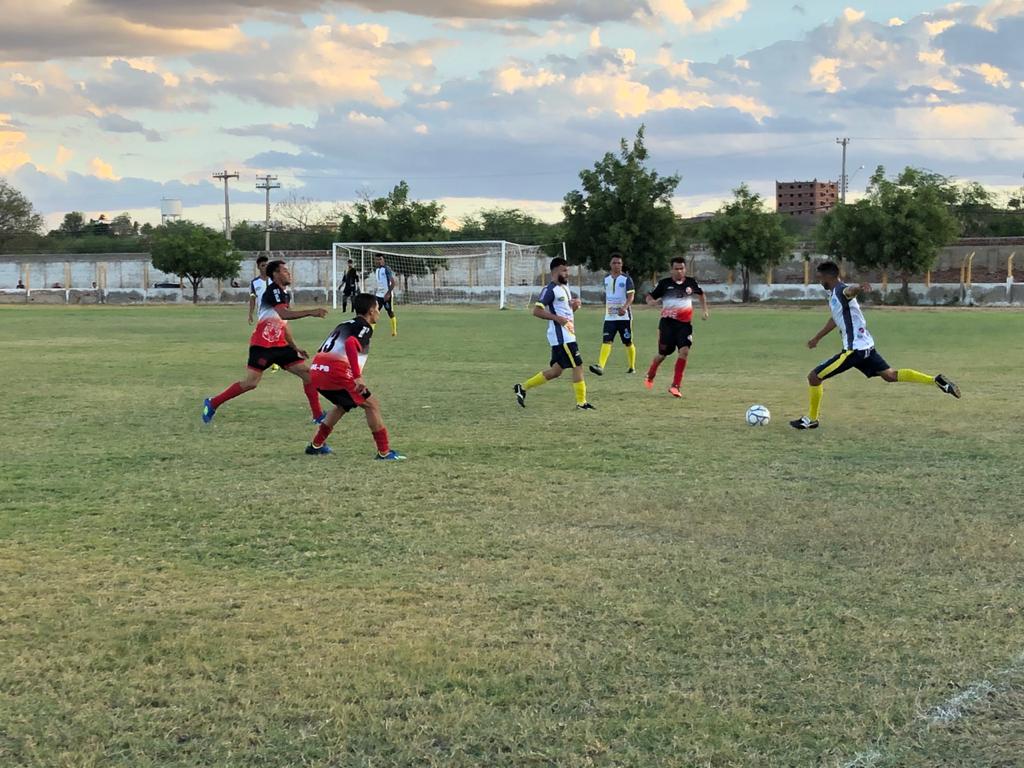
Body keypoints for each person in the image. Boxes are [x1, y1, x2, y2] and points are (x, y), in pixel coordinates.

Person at [790, 261, 961, 429]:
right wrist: (817, 338)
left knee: (814, 377)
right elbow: (836, 318)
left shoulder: (842, 290)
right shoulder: (834, 294)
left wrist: (858, 288)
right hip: (866, 347)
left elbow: (850, 292)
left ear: (828, 276)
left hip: (854, 351)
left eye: (820, 278)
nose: (820, 282)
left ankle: (812, 419)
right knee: (890, 375)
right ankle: (936, 381)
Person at [203, 260, 328, 424]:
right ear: (275, 274)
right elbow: (284, 314)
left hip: (281, 346)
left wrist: (294, 347)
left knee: (308, 375)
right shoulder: (273, 291)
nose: (288, 273)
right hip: (263, 346)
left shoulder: (284, 293)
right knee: (250, 383)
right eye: (284, 271)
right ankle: (213, 403)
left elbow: (283, 324)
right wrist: (312, 312)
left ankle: (317, 416)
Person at [304, 293, 406, 460]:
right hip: (335, 374)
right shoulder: (364, 327)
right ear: (372, 311)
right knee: (372, 404)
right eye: (378, 309)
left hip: (317, 372)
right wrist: (357, 377)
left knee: (342, 405)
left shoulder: (344, 324)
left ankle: (316, 445)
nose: (379, 313)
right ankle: (384, 452)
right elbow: (351, 344)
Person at [513, 257, 595, 411]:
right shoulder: (549, 290)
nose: (567, 274)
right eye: (564, 270)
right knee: (578, 365)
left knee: (556, 371)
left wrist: (575, 307)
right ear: (555, 270)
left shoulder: (564, 288)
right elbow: (537, 311)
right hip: (562, 337)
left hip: (566, 334)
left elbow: (566, 313)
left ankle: (522, 387)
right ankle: (581, 403)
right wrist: (558, 319)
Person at [644, 257, 709, 397]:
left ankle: (675, 386)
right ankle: (651, 374)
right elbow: (649, 296)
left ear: (685, 269)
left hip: (684, 325)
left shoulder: (691, 283)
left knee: (684, 351)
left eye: (682, 268)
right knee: (662, 355)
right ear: (671, 270)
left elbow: (701, 294)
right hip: (667, 325)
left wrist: (704, 310)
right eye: (676, 268)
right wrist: (651, 302)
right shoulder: (664, 284)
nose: (679, 271)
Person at [589, 252, 636, 376]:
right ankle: (600, 366)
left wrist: (625, 308)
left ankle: (632, 366)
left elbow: (631, 296)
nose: (616, 265)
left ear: (622, 264)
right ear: (610, 264)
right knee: (607, 340)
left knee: (628, 342)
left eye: (619, 263)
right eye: (614, 263)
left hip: (624, 317)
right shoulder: (606, 279)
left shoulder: (626, 279)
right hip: (610, 317)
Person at [372, 254, 398, 337]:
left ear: (383, 260)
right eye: (377, 259)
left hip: (387, 295)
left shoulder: (386, 269)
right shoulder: (376, 270)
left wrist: (388, 293)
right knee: (374, 313)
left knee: (390, 312)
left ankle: (394, 331)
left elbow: (393, 283)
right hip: (378, 295)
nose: (378, 261)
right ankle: (370, 332)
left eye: (380, 259)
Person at [247, 255, 269, 325]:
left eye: (267, 265)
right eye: (263, 265)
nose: (265, 267)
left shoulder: (275, 280)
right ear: (258, 267)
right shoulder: (254, 282)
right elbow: (252, 299)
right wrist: (250, 313)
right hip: (262, 315)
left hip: (276, 315)